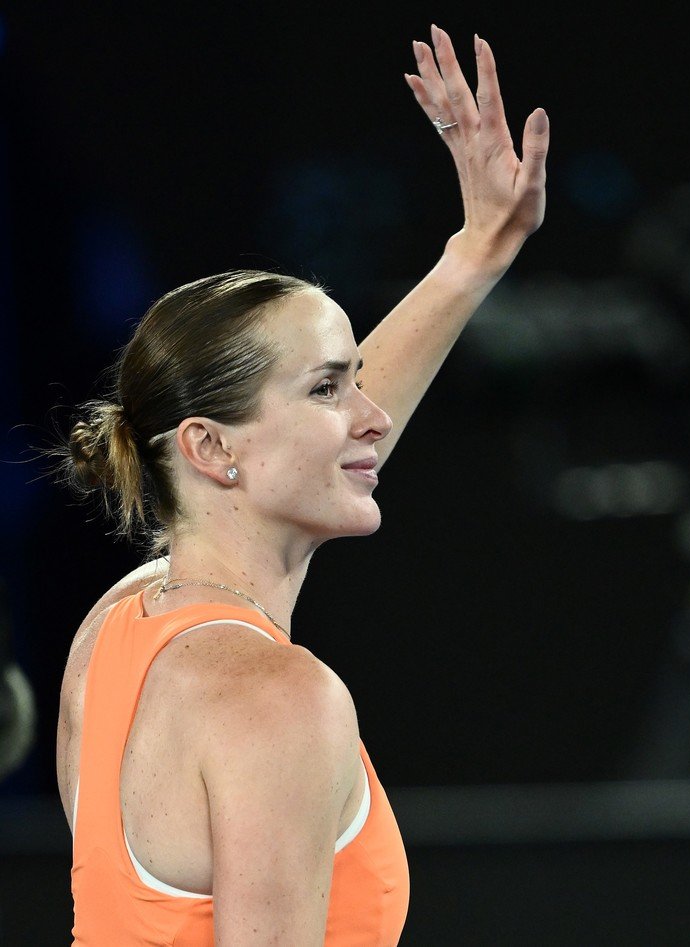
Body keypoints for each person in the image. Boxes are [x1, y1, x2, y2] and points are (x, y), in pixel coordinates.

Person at [55, 26, 549, 946]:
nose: (371, 416)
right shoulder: (280, 698)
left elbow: (307, 445)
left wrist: (474, 254)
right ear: (209, 447)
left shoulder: (115, 629)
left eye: (354, 381)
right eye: (327, 388)